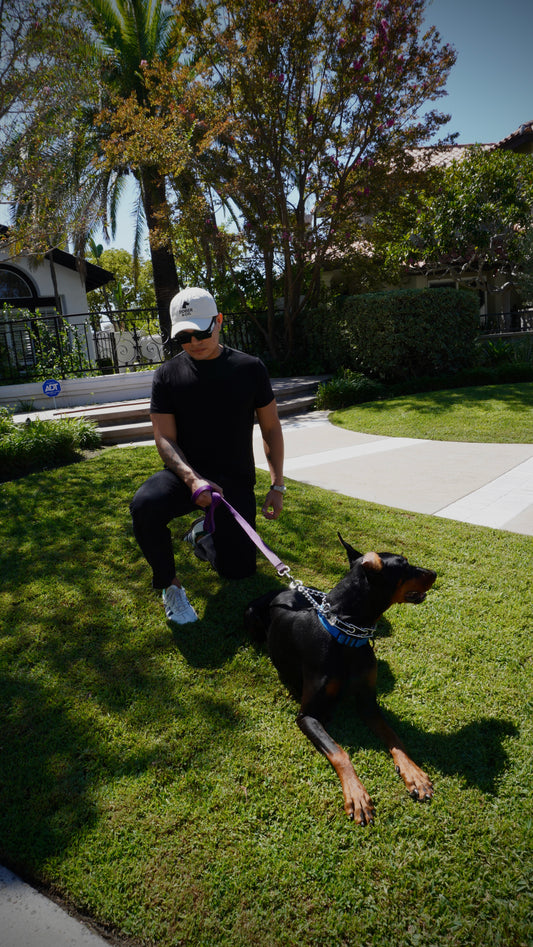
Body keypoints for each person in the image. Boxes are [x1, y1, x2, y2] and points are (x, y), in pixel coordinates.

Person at [130, 286, 285, 625]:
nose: (194, 342)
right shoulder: (168, 375)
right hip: (185, 477)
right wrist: (193, 479)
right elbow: (165, 440)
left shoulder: (250, 368)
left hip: (233, 482)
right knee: (145, 505)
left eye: (201, 332)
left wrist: (277, 484)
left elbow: (271, 428)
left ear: (219, 321)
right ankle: (169, 585)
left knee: (240, 572)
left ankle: (204, 532)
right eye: (184, 337)